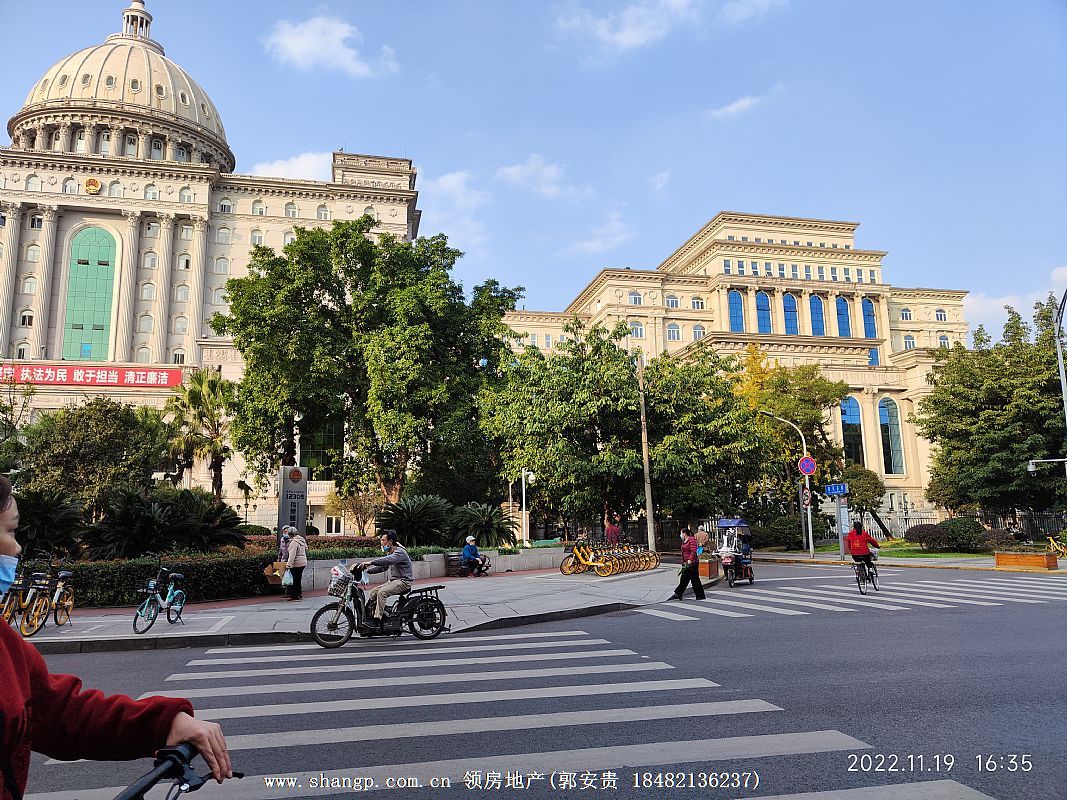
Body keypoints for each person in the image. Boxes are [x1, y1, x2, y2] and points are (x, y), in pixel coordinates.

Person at [0, 475, 233, 798]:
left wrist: (162, 723)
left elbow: (59, 713)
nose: (16, 547)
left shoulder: (7, 646)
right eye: (10, 531)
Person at [357, 530, 413, 629]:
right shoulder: (390, 553)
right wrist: (367, 571)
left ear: (390, 541)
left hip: (404, 581)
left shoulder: (399, 552)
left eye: (383, 540)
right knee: (373, 592)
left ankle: (377, 620)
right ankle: (372, 615)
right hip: (394, 581)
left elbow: (389, 560)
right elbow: (383, 567)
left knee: (382, 592)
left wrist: (371, 562)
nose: (381, 543)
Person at [668, 527, 706, 601]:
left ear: (684, 533)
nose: (680, 535)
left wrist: (690, 559)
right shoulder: (685, 541)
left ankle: (699, 595)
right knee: (684, 579)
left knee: (694, 580)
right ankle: (679, 594)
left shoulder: (692, 540)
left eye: (681, 533)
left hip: (692, 563)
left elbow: (693, 551)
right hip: (686, 563)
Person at [284, 526, 308, 601]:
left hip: (296, 563)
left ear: (290, 534)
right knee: (298, 579)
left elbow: (292, 555)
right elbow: (306, 548)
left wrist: (288, 565)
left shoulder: (294, 542)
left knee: (294, 580)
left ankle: (294, 596)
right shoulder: (301, 540)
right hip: (303, 562)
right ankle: (298, 594)